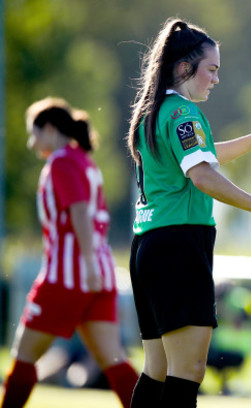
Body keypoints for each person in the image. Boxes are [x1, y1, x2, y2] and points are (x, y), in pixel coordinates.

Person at [125, 18, 251, 408]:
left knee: (157, 370)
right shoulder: (184, 113)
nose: (216, 79)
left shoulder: (157, 111)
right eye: (212, 69)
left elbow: (201, 155)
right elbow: (202, 174)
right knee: (188, 372)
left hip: (148, 246)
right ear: (185, 67)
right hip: (178, 246)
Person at [1, 97, 139, 408]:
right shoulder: (83, 160)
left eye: (33, 133)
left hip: (67, 276)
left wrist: (87, 263)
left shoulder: (62, 161)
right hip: (100, 275)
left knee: (23, 356)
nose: (31, 142)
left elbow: (79, 213)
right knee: (113, 359)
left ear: (49, 129)